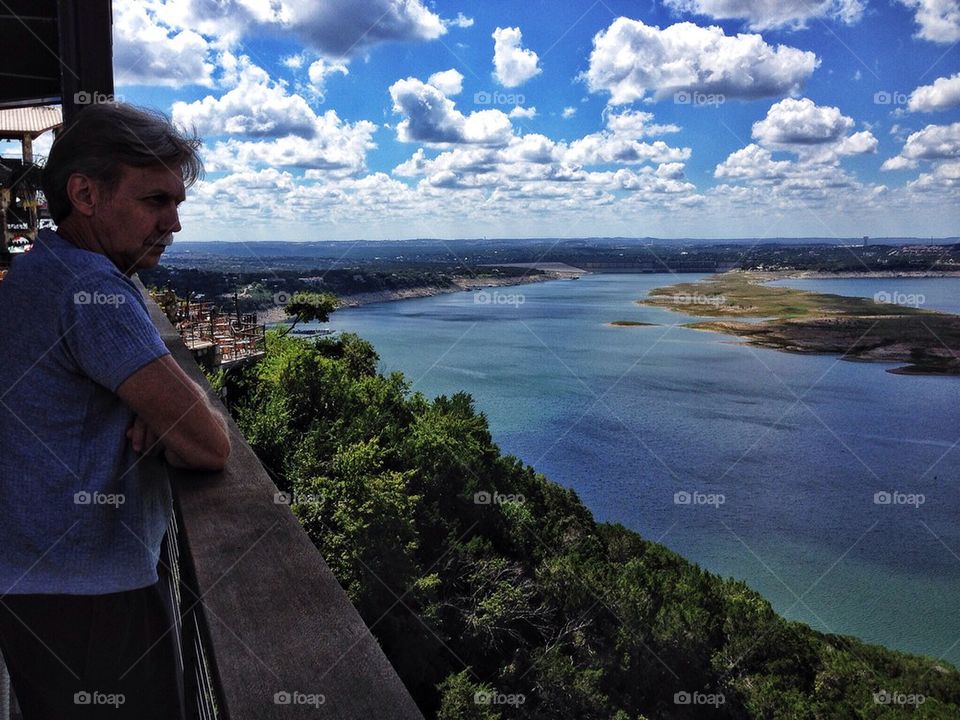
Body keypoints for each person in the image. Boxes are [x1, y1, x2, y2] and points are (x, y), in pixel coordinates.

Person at [0, 102, 230, 719]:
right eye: (156, 201)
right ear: (85, 194)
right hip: (92, 592)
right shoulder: (90, 289)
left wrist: (167, 405)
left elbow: (181, 412)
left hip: (39, 578)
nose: (174, 223)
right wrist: (175, 407)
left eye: (178, 203)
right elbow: (210, 447)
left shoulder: (41, 270)